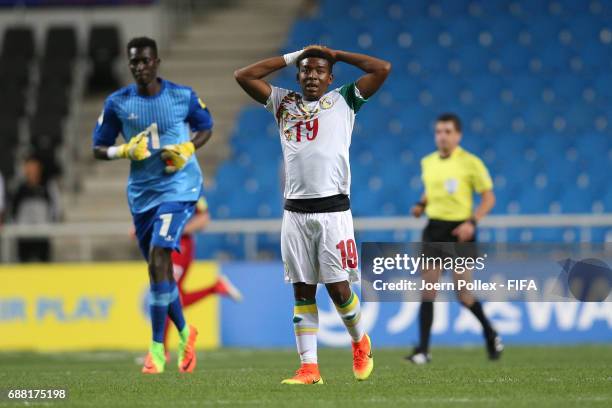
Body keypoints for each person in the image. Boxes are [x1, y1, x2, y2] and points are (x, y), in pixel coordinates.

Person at [234, 45, 391, 384]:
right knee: (302, 291)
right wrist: (296, 54)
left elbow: (382, 68)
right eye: (306, 70)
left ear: (330, 77)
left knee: (338, 290)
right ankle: (309, 368)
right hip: (295, 214)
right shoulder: (283, 103)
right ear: (298, 75)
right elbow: (243, 75)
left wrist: (336, 53)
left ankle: (360, 341)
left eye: (320, 70)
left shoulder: (343, 100)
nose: (313, 76)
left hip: (333, 212)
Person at [92, 37, 213, 374]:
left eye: (145, 61)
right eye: (134, 62)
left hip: (180, 187)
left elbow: (206, 126)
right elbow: (97, 148)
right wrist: (123, 151)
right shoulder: (118, 103)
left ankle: (157, 350)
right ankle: (187, 333)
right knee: (157, 271)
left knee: (160, 255)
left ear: (157, 62)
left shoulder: (181, 96)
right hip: (142, 195)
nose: (140, 67)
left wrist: (188, 148)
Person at [407, 113, 503, 365]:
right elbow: (432, 188)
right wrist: (420, 203)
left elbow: (489, 198)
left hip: (460, 232)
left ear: (458, 135)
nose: (443, 136)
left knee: (463, 295)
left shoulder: (471, 162)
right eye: (439, 131)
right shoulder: (428, 162)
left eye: (448, 131)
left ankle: (490, 333)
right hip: (434, 229)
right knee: (427, 291)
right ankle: (423, 351)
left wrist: (472, 222)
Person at [161, 190, 243, 355]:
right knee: (173, 297)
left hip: (181, 248)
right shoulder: (164, 187)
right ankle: (215, 288)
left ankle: (160, 351)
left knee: (167, 295)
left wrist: (177, 231)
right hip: (167, 247)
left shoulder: (191, 191)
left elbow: (204, 219)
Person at [11, 156, 61, 262]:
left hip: (42, 235)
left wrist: (50, 225)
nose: (31, 171)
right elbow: (13, 209)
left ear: (39, 168)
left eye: (33, 167)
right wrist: (18, 227)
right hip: (24, 236)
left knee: (43, 266)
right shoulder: (19, 188)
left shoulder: (48, 186)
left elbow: (55, 207)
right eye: (28, 168)